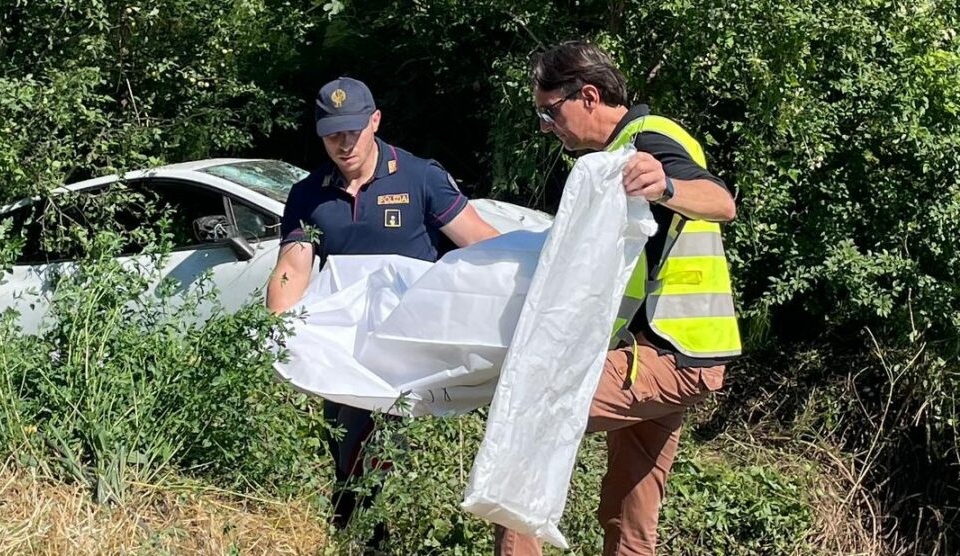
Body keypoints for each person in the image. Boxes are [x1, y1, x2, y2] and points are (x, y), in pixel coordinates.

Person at [494, 41, 741, 556]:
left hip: (668, 354)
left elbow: (720, 202)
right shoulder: (613, 157)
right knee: (630, 521)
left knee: (529, 422)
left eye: (549, 111)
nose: (545, 126)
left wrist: (666, 185)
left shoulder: (649, 141)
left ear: (587, 95)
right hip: (666, 354)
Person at [265, 77, 500, 547]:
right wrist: (274, 333)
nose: (344, 143)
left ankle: (410, 534)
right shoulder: (308, 195)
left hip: (417, 350)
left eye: (353, 130)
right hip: (348, 354)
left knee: (400, 453)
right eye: (333, 134)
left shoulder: (420, 178)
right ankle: (358, 538)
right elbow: (293, 268)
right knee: (347, 449)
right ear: (319, 132)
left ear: (375, 122)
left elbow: (483, 245)